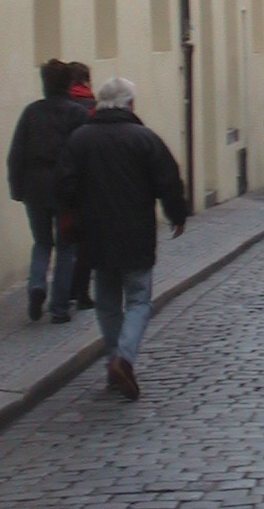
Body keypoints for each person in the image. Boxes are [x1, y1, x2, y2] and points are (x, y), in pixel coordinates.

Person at [57, 77, 187, 400]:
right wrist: (177, 214)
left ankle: (114, 360)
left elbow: (64, 185)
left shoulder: (80, 140)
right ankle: (123, 359)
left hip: (95, 236)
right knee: (139, 300)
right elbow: (168, 180)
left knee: (107, 303)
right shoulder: (144, 139)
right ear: (130, 104)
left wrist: (70, 215)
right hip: (136, 234)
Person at [7, 59, 91, 323]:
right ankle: (59, 308)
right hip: (64, 188)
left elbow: (16, 154)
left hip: (34, 186)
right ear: (68, 83)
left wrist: (17, 188)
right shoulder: (77, 114)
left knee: (42, 242)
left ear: (44, 84)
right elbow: (84, 155)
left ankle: (36, 285)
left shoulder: (31, 112)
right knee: (66, 247)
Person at [67, 62, 96, 309]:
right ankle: (81, 291)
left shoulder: (58, 104)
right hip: (87, 181)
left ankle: (63, 290)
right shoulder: (92, 106)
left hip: (63, 179)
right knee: (86, 240)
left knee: (64, 239)